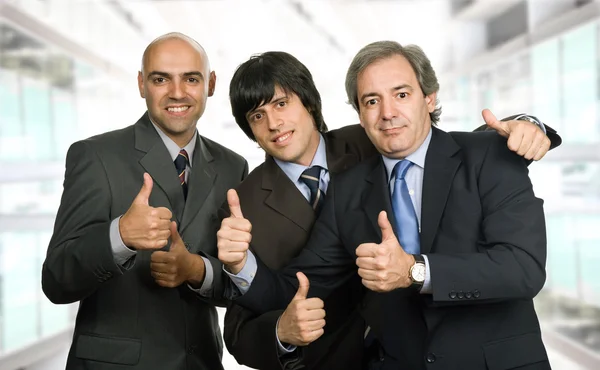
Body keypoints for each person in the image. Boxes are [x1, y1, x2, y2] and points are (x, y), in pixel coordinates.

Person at [218, 49, 558, 370]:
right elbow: (300, 287)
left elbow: (523, 268)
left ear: (429, 97)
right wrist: (239, 264)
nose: (388, 112)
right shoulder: (348, 190)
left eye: (402, 94)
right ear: (360, 115)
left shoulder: (488, 155)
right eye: (371, 101)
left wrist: (414, 270)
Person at [41, 32, 247, 370]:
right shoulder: (95, 156)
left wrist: (196, 270)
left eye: (191, 79)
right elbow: (56, 280)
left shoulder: (232, 166)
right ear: (141, 84)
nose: (177, 92)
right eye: (160, 79)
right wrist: (119, 236)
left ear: (210, 83)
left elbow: (241, 284)